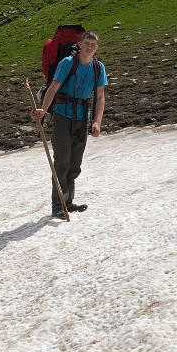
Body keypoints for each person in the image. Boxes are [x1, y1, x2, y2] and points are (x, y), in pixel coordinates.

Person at [31, 31, 108, 217]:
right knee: (62, 162)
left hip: (82, 118)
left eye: (93, 45)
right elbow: (54, 88)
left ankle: (68, 202)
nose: (89, 47)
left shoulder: (98, 68)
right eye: (87, 43)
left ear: (96, 48)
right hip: (62, 116)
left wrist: (97, 121)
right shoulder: (67, 63)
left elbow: (100, 97)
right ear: (80, 44)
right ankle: (58, 206)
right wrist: (43, 109)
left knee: (75, 163)